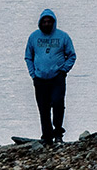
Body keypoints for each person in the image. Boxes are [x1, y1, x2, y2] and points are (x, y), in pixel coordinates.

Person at [24, 8, 76, 145]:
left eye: (49, 22)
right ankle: (47, 136)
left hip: (57, 78)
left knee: (58, 103)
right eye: (44, 22)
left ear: (54, 22)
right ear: (40, 23)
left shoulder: (63, 37)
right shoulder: (33, 37)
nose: (47, 24)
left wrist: (64, 70)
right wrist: (33, 74)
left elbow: (71, 55)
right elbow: (28, 57)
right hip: (40, 78)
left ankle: (58, 133)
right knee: (43, 107)